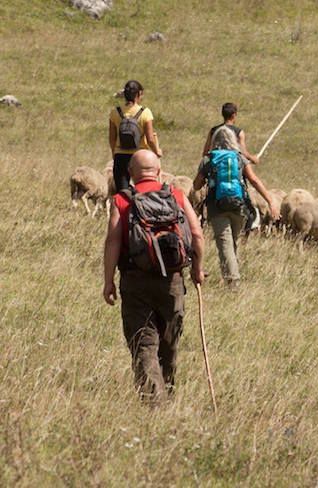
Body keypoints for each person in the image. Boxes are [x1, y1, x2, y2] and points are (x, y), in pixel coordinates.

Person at [102, 150, 204, 404]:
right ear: (159, 171)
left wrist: (108, 281)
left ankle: (154, 405)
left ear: (130, 174)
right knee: (168, 345)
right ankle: (166, 394)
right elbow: (197, 235)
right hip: (172, 282)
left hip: (135, 281)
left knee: (144, 345)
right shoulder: (177, 196)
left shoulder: (123, 201)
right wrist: (197, 268)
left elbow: (113, 241)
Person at [193, 126, 279, 287]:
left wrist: (207, 178)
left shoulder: (209, 159)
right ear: (233, 141)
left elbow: (196, 185)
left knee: (225, 243)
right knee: (231, 242)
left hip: (217, 207)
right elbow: (254, 180)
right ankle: (231, 274)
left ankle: (233, 281)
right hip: (239, 206)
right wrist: (271, 201)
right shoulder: (239, 158)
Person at [108, 80, 163, 192]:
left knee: (122, 193)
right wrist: (157, 151)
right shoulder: (145, 113)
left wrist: (114, 152)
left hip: (120, 156)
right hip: (140, 156)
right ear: (138, 94)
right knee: (143, 191)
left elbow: (112, 138)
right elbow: (150, 139)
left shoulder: (115, 112)